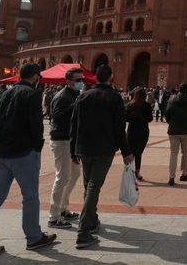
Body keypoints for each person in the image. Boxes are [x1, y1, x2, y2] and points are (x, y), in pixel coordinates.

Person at [0, 64, 57, 262]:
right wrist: (36, 147)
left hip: (2, 153)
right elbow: (36, 125)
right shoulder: (32, 94)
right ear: (35, 76)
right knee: (30, 197)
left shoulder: (3, 94)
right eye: (39, 76)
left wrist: (2, 141)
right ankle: (34, 237)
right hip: (24, 153)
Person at [69, 65, 133, 250]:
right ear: (111, 77)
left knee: (88, 186)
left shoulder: (83, 96)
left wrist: (73, 150)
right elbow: (119, 128)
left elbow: (74, 125)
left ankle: (93, 220)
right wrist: (126, 151)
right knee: (93, 187)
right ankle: (83, 233)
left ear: (96, 78)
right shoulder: (114, 98)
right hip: (104, 149)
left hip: (84, 148)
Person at [47, 67, 83, 229]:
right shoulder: (62, 96)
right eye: (77, 80)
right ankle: (54, 216)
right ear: (68, 81)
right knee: (62, 176)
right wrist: (75, 106)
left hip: (70, 141)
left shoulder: (74, 95)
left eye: (81, 80)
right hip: (61, 140)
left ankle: (62, 208)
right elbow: (56, 116)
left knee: (75, 173)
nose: (80, 83)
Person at [165, 83, 187, 185]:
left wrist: (171, 123)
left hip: (174, 129)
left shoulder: (172, 99)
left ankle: (171, 177)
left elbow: (167, 113)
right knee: (185, 153)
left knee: (173, 153)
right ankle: (184, 174)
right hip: (186, 129)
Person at [126, 87, 152, 181]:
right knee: (139, 152)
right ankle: (137, 172)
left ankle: (130, 171)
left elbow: (126, 118)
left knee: (131, 151)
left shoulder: (130, 105)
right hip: (143, 131)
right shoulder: (147, 105)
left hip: (132, 130)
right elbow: (150, 119)